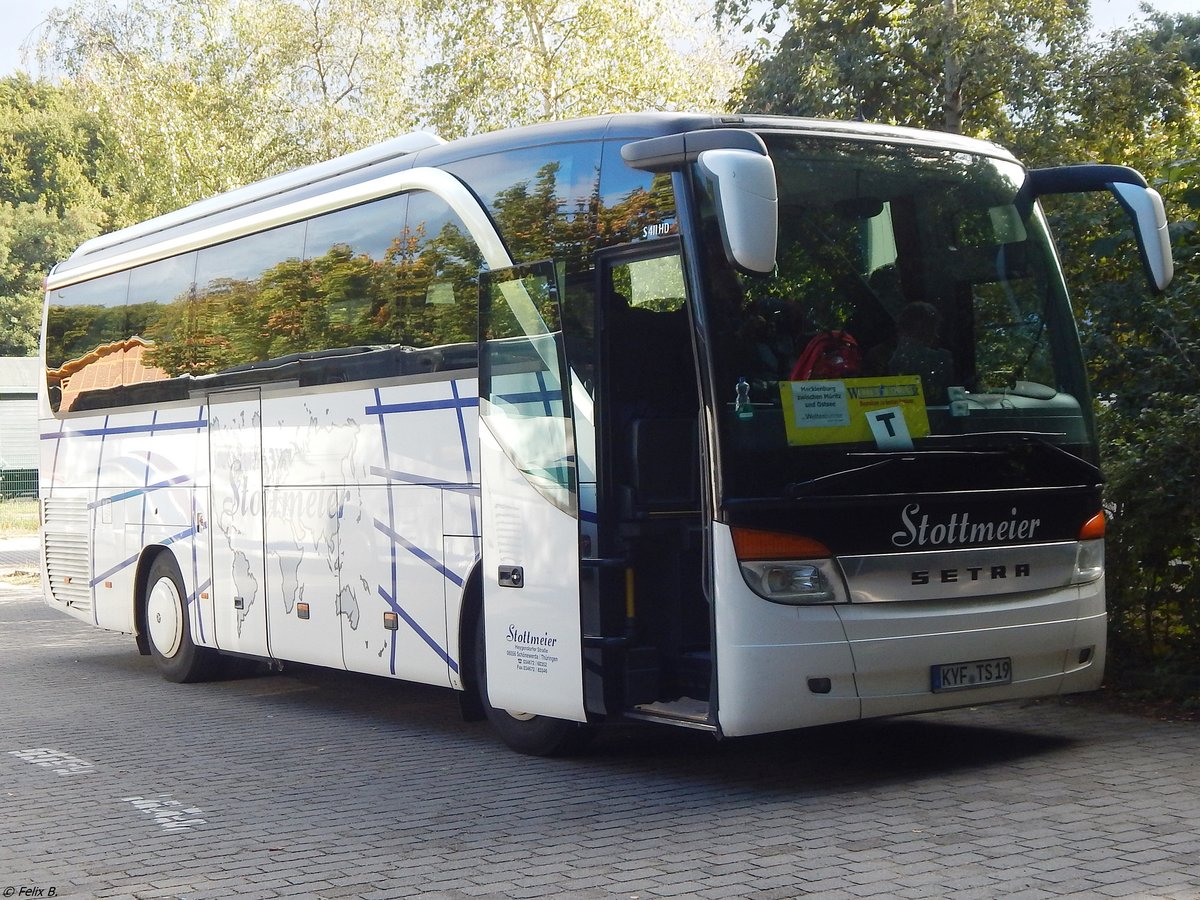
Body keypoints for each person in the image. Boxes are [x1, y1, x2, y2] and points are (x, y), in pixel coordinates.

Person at [886, 301, 954, 402]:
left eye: (934, 329)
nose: (935, 336)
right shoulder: (883, 357)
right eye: (928, 330)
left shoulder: (941, 359)